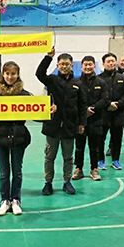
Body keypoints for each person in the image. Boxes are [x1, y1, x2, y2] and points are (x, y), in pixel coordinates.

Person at [36, 47, 86, 196]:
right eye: (62, 64)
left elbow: (82, 105)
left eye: (67, 64)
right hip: (52, 126)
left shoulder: (78, 83)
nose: (64, 66)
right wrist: (48, 57)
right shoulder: (52, 80)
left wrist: (82, 123)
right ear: (57, 65)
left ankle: (67, 182)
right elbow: (39, 73)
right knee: (49, 157)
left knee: (68, 157)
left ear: (72, 65)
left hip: (70, 127)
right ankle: (48, 183)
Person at [0, 61, 32, 216]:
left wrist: (49, 110)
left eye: (13, 73)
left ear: (18, 75)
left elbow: (38, 113)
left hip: (19, 137)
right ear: (3, 74)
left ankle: (15, 200)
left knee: (17, 171)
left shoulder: (25, 95)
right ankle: (4, 200)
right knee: (4, 172)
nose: (10, 76)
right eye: (7, 73)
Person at [72, 56, 108, 182]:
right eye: (85, 64)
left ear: (94, 66)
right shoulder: (76, 82)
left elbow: (105, 99)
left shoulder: (101, 82)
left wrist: (92, 109)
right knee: (79, 147)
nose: (88, 67)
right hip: (80, 121)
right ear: (82, 67)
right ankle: (78, 169)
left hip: (96, 119)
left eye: (90, 64)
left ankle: (94, 169)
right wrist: (84, 112)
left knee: (94, 147)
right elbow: (73, 100)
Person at [98, 52, 124, 171]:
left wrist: (118, 104)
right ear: (103, 64)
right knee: (100, 138)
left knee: (117, 138)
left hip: (118, 113)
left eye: (113, 61)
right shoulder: (98, 78)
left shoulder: (122, 78)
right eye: (108, 61)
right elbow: (97, 96)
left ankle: (115, 160)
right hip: (103, 113)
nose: (111, 63)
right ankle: (100, 160)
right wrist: (108, 104)